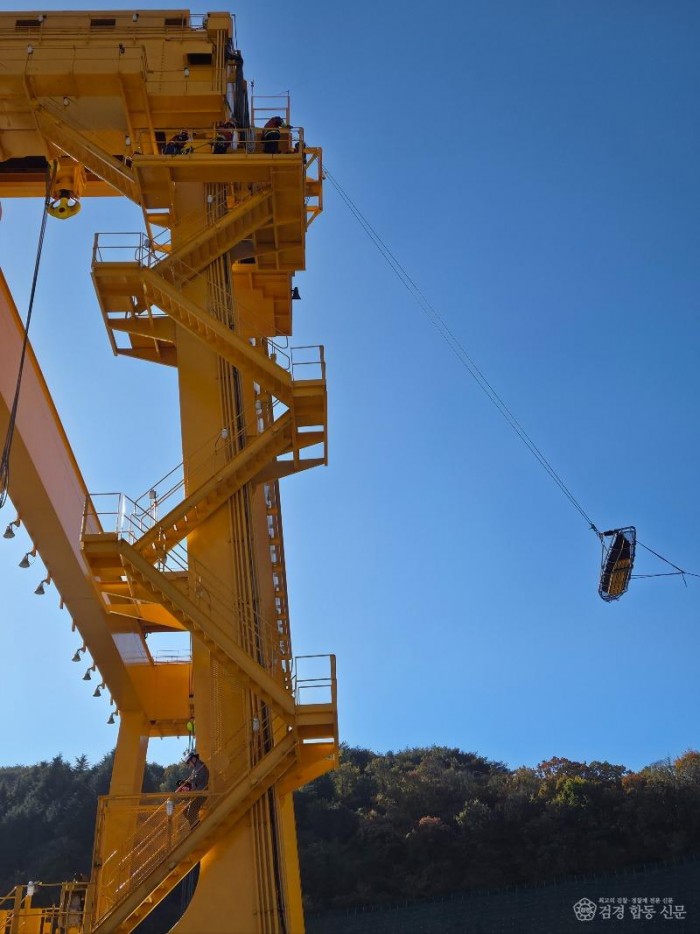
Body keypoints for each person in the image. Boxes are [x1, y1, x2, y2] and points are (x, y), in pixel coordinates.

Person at [183, 751, 209, 829]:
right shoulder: (196, 768)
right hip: (197, 794)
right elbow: (194, 780)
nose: (190, 765)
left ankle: (196, 829)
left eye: (189, 762)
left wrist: (190, 784)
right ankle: (196, 826)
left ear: (193, 759)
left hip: (201, 794)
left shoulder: (201, 767)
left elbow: (199, 781)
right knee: (185, 812)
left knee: (191, 813)